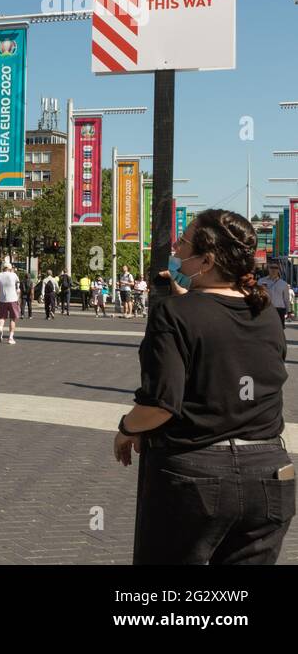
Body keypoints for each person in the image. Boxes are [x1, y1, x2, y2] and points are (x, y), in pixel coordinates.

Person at [115, 209, 293, 564]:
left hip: (195, 476)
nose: (177, 252)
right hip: (270, 475)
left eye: (183, 244)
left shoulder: (173, 314)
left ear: (207, 260)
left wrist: (126, 428)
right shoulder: (267, 316)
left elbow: (161, 404)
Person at [0, 260, 21, 344]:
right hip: (13, 299)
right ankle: (10, 338)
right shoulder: (13, 275)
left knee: (2, 317)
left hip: (2, 299)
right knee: (13, 319)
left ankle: (0, 329)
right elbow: (18, 285)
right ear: (10, 268)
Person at [260, 262, 292, 328]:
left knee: (279, 330)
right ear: (268, 269)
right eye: (271, 267)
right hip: (265, 309)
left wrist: (288, 312)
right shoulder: (261, 281)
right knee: (265, 329)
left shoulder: (283, 284)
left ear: (278, 270)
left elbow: (286, 299)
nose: (273, 269)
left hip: (279, 310)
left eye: (276, 268)